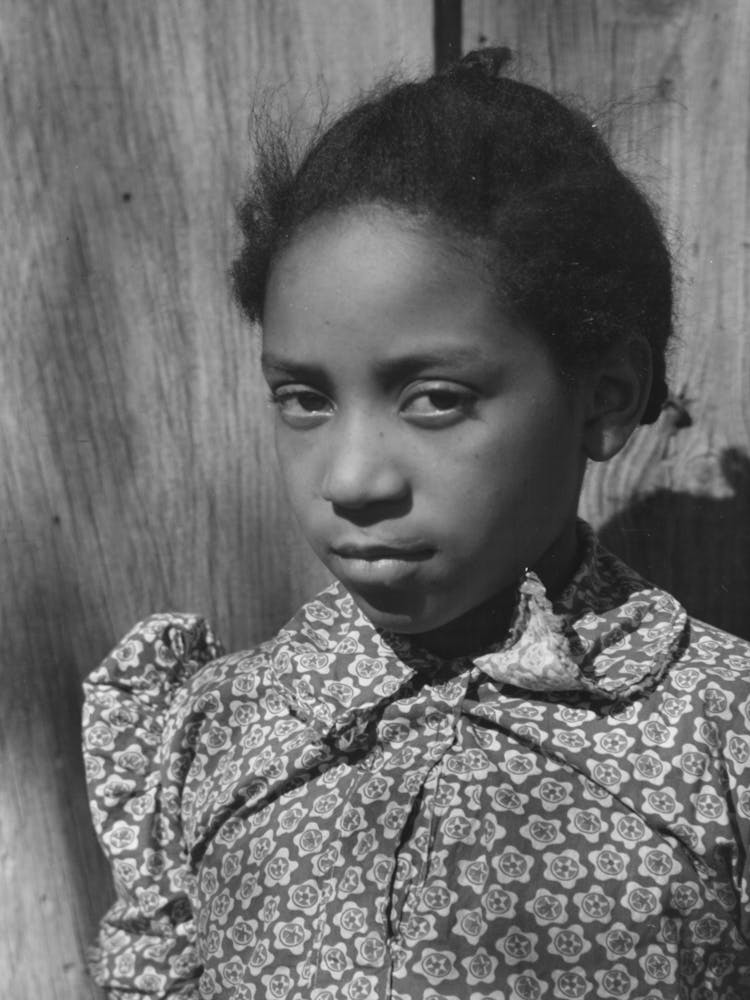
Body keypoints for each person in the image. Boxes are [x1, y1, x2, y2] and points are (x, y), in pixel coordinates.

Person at [82, 50, 750, 1000]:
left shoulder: (723, 740)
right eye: (304, 398)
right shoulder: (220, 727)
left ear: (606, 395)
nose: (351, 478)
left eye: (436, 399)